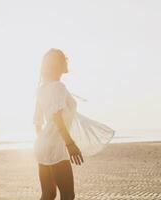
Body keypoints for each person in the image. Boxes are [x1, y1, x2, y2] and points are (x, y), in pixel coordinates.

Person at [33, 48, 114, 200]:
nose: (67, 61)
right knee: (68, 195)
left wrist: (45, 144)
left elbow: (37, 123)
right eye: (64, 59)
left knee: (48, 194)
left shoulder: (41, 89)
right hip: (56, 145)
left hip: (41, 145)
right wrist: (69, 144)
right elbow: (57, 116)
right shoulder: (58, 87)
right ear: (59, 64)